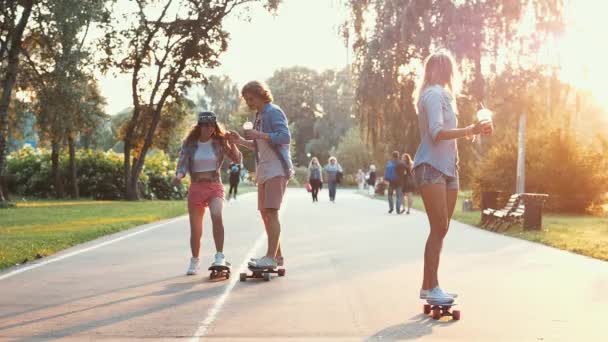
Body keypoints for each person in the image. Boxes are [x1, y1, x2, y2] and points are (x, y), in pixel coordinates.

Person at [413, 51, 492, 303]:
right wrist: (470, 129)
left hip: (448, 168)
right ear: (444, 70)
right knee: (438, 227)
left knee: (441, 228)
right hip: (431, 167)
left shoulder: (445, 95)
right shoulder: (434, 94)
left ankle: (429, 286)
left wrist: (474, 130)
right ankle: (432, 286)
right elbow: (437, 133)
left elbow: (447, 133)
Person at [228, 81, 293, 269]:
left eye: (251, 98)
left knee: (271, 212)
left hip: (276, 168)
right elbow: (258, 144)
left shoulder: (273, 112)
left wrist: (260, 134)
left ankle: (270, 257)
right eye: (246, 99)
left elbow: (284, 137)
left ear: (261, 94)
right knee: (265, 214)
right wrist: (239, 140)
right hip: (263, 169)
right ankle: (276, 256)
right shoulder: (258, 115)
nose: (249, 102)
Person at [173, 111, 242, 275]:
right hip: (196, 187)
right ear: (199, 126)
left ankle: (220, 256)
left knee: (217, 215)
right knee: (196, 229)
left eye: (212, 125)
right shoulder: (189, 143)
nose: (209, 128)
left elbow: (237, 159)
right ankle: (195, 260)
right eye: (205, 125)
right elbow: (182, 164)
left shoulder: (219, 142)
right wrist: (179, 176)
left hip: (214, 186)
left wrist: (232, 143)